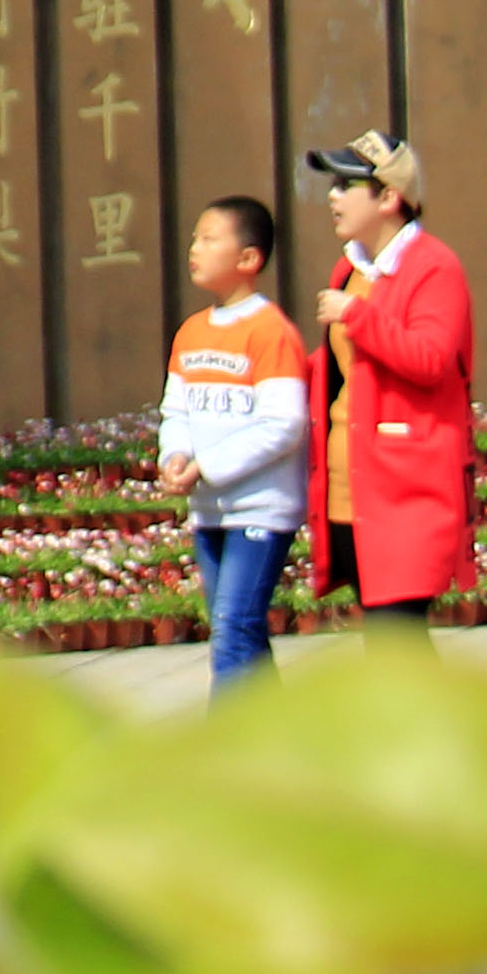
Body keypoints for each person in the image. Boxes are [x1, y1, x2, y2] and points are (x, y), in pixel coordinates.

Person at [306, 129, 476, 632]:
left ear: (388, 197)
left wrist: (357, 317)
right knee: (388, 644)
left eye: (345, 184)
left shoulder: (434, 268)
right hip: (350, 489)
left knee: (397, 640)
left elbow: (429, 359)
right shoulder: (350, 269)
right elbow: (339, 373)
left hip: (407, 494)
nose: (333, 197)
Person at [156, 195, 312, 684]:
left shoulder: (271, 332)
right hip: (210, 510)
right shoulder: (191, 332)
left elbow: (284, 424)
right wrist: (175, 455)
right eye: (194, 239)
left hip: (260, 509)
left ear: (249, 259)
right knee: (240, 631)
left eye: (209, 239)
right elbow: (175, 411)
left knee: (232, 628)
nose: (194, 249)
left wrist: (208, 465)